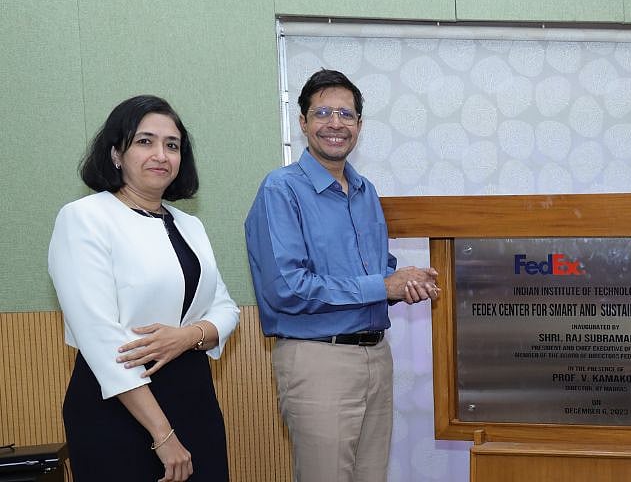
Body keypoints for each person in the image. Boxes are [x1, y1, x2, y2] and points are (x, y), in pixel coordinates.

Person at [244, 69, 439, 482]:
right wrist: (383, 284)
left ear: (360, 126)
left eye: (346, 115)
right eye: (323, 113)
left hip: (376, 356)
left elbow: (374, 270)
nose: (336, 123)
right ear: (303, 123)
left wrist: (402, 284)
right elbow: (287, 289)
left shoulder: (365, 190)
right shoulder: (281, 190)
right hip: (318, 359)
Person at [49, 95, 240, 482]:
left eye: (172, 145)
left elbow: (225, 309)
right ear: (117, 152)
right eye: (145, 141)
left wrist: (186, 337)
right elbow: (101, 337)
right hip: (119, 404)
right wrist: (162, 434)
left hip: (194, 395)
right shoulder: (84, 218)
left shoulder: (190, 225)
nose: (161, 155)